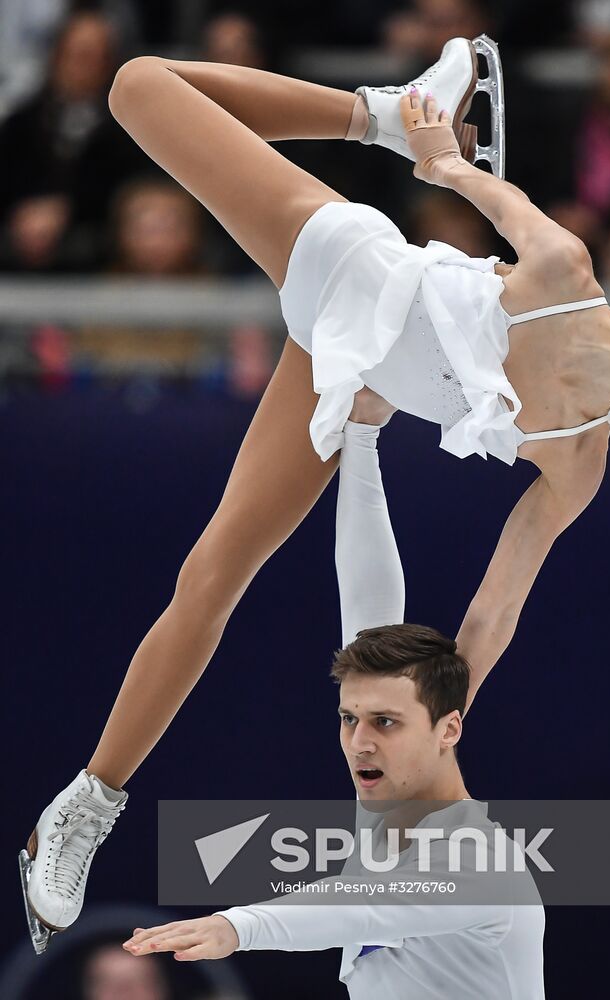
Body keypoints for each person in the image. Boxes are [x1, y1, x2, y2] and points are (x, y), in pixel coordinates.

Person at [20, 34, 610, 952]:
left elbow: (494, 612)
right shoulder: (565, 276)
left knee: (213, 575)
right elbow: (491, 191)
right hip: (352, 271)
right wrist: (437, 153)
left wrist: (437, 731)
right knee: (139, 87)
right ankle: (368, 111)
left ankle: (83, 807)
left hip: (349, 377)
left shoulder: (581, 463)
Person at [121, 414, 546, 998]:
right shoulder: (391, 809)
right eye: (349, 719)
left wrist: (236, 926)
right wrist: (361, 437)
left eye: (386, 723)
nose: (359, 742)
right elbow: (367, 608)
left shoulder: (481, 864)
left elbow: (358, 909)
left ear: (450, 728)